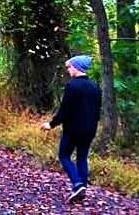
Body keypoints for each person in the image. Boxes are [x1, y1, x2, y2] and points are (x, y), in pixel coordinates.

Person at [40, 55, 102, 203]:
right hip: (90, 130)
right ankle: (82, 190)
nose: (68, 70)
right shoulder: (95, 87)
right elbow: (98, 111)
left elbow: (65, 110)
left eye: (69, 67)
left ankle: (77, 184)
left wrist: (51, 124)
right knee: (82, 158)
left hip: (73, 129)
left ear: (76, 67)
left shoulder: (72, 86)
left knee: (64, 155)